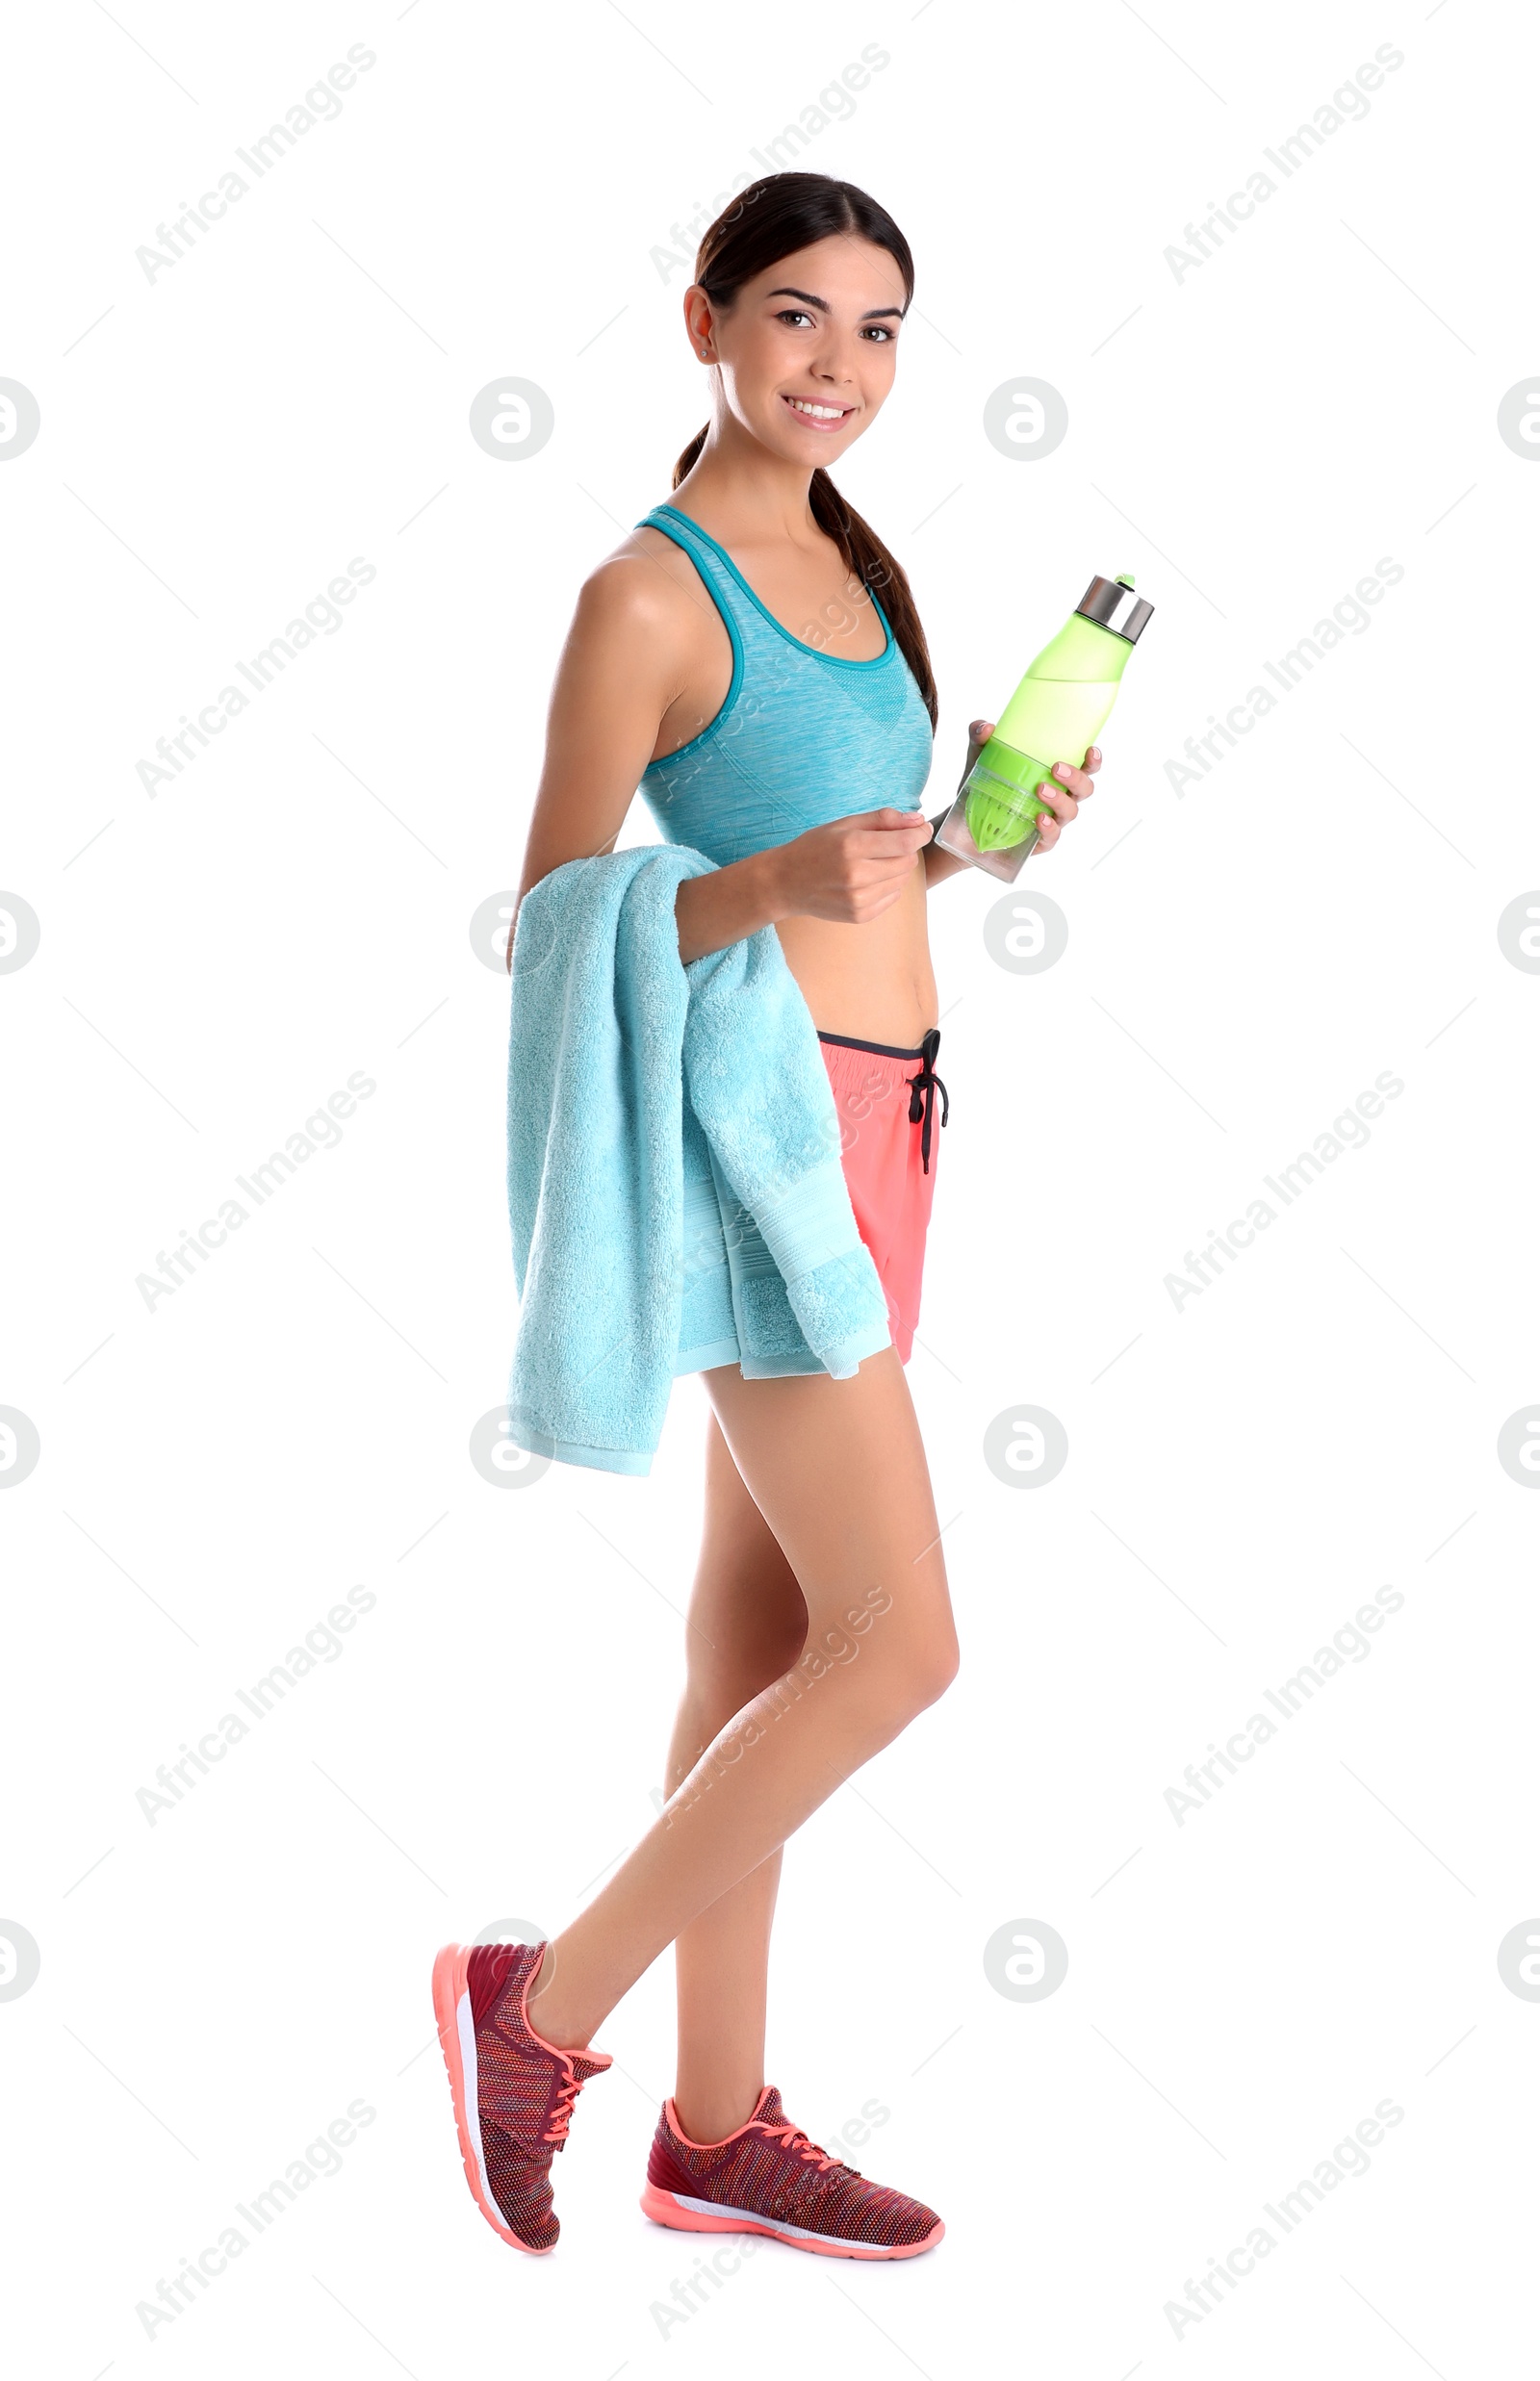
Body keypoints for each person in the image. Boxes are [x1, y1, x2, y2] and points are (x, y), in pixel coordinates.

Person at [434, 169, 1101, 2263]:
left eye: (881, 330)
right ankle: (533, 2012)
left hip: (890, 1121)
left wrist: (974, 839)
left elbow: (855, 864)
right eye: (799, 317)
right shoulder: (647, 594)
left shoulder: (854, 562)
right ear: (704, 317)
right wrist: (762, 888)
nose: (839, 365)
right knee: (898, 1649)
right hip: (754, 1144)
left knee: (764, 1639)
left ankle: (713, 2128)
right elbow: (554, 927)